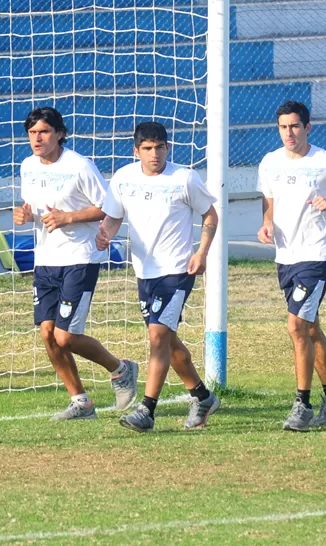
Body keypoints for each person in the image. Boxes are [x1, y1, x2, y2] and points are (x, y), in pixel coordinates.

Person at [13, 106, 138, 420]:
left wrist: (69, 217)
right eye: (32, 133)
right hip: (46, 260)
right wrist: (25, 215)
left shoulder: (79, 166)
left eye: (43, 132)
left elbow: (108, 208)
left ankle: (121, 370)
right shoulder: (27, 166)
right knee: (46, 332)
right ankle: (81, 402)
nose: (37, 138)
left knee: (65, 335)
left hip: (80, 257)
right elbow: (35, 208)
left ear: (59, 134)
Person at [96, 121, 219, 432]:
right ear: (136, 150)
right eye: (148, 148)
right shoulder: (124, 178)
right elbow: (113, 217)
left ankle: (147, 410)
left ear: (168, 148)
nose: (154, 154)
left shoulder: (184, 178)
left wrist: (201, 252)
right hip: (144, 273)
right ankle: (202, 396)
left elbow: (210, 214)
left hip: (177, 270)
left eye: (160, 147)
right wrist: (105, 235)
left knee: (156, 338)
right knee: (168, 341)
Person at [257, 101, 326, 431]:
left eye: (295, 126)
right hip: (286, 257)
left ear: (307, 128)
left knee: (296, 326)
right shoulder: (270, 162)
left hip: (318, 255)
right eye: (284, 127)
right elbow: (269, 199)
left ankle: (302, 404)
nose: (289, 133)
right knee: (310, 328)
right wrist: (266, 222)